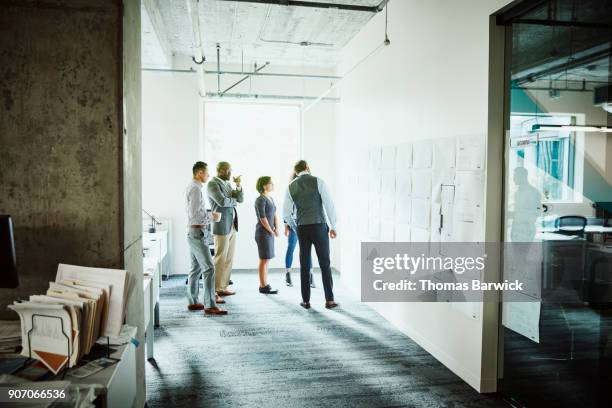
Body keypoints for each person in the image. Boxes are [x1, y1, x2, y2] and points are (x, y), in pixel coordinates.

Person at [283, 160, 338, 309]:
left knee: (304, 265)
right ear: (307, 167)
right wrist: (334, 226)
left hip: (302, 228)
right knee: (325, 264)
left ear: (296, 171)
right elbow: (329, 204)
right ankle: (329, 300)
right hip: (319, 226)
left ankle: (306, 301)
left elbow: (287, 214)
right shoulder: (318, 181)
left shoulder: (290, 186)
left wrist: (296, 228)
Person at [185, 161, 227, 315]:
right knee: (209, 268)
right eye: (207, 172)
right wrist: (212, 216)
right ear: (200, 173)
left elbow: (194, 212)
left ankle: (193, 302)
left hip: (193, 232)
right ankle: (210, 305)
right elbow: (195, 214)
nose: (209, 175)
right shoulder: (195, 189)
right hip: (197, 233)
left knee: (195, 268)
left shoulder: (194, 187)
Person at [207, 161, 243, 297]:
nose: (230, 173)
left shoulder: (227, 184)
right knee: (220, 257)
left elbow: (240, 199)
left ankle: (223, 287)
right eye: (228, 170)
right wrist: (232, 200)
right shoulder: (212, 184)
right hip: (221, 225)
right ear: (220, 170)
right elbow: (221, 201)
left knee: (229, 258)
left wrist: (238, 185)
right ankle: (216, 289)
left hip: (232, 225)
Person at [284, 173, 314, 288]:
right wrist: (286, 224)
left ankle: (310, 275)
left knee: (307, 249)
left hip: (306, 223)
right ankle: (288, 274)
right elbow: (287, 208)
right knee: (291, 247)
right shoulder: (291, 188)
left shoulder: (309, 189)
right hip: (294, 224)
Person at [254, 176, 279, 294]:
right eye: (271, 183)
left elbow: (274, 214)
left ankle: (265, 284)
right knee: (263, 259)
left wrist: (276, 228)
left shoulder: (271, 198)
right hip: (263, 233)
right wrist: (270, 230)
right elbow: (262, 218)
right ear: (264, 185)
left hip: (269, 232)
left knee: (267, 259)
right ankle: (262, 286)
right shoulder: (260, 200)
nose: (273, 184)